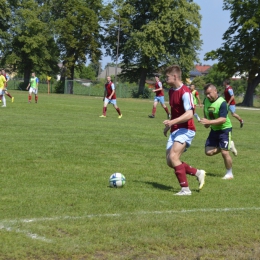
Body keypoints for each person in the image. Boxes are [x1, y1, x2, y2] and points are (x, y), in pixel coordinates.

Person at [163, 65, 206, 196]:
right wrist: (169, 125)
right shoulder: (171, 91)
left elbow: (189, 114)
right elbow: (175, 112)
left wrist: (172, 122)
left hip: (186, 129)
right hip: (175, 129)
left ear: (175, 76)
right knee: (170, 161)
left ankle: (185, 190)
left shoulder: (186, 92)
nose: (165, 79)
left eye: (167, 77)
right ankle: (198, 172)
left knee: (174, 156)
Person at [200, 83, 237, 180]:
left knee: (225, 153)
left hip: (225, 129)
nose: (208, 96)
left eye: (209, 93)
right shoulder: (206, 101)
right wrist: (206, 122)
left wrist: (209, 121)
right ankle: (229, 144)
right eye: (206, 94)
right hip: (214, 129)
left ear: (215, 91)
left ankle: (229, 174)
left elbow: (223, 119)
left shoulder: (222, 103)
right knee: (208, 152)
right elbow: (206, 113)